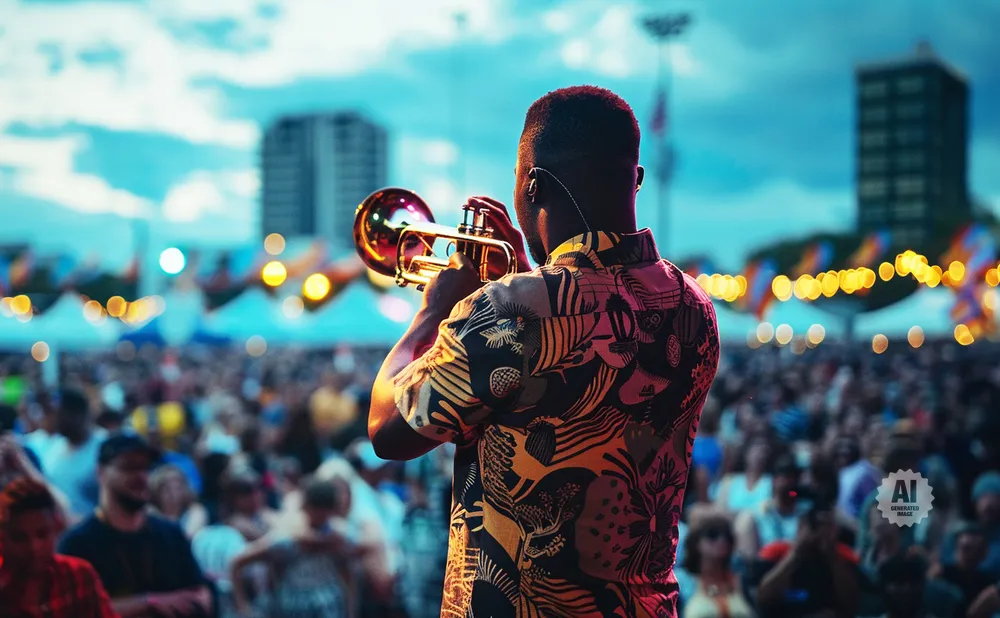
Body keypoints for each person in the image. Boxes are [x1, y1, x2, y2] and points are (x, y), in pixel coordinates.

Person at [368, 86, 721, 616]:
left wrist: (435, 311)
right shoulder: (694, 306)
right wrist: (521, 281)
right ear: (635, 180)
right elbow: (585, 335)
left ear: (532, 184)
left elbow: (389, 430)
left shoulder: (509, 309)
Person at [58, 434, 213, 618]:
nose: (141, 476)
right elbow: (74, 611)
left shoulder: (170, 533)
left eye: (145, 467)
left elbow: (201, 595)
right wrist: (149, 603)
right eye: (129, 467)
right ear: (101, 472)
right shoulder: (78, 543)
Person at [229, 477, 356, 618]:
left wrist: (350, 612)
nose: (322, 516)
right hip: (295, 604)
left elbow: (348, 572)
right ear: (307, 507)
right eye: (318, 510)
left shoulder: (339, 535)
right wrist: (242, 606)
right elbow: (237, 561)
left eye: (326, 511)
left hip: (330, 603)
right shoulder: (287, 537)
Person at [0, 476, 116, 617]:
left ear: (55, 529)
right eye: (19, 538)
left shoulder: (77, 575)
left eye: (42, 534)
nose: (34, 547)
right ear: (3, 537)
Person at [745, 499, 863, 617]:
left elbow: (852, 603)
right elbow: (762, 600)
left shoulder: (843, 555)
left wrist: (831, 554)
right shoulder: (776, 552)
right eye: (811, 524)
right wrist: (795, 554)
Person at [37, 388, 107, 521]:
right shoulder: (52, 447)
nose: (55, 419)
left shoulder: (104, 447)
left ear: (78, 414)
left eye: (59, 414)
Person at [679, 513, 753, 618]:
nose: (721, 540)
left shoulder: (741, 581)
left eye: (727, 537)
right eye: (713, 535)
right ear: (696, 542)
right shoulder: (682, 581)